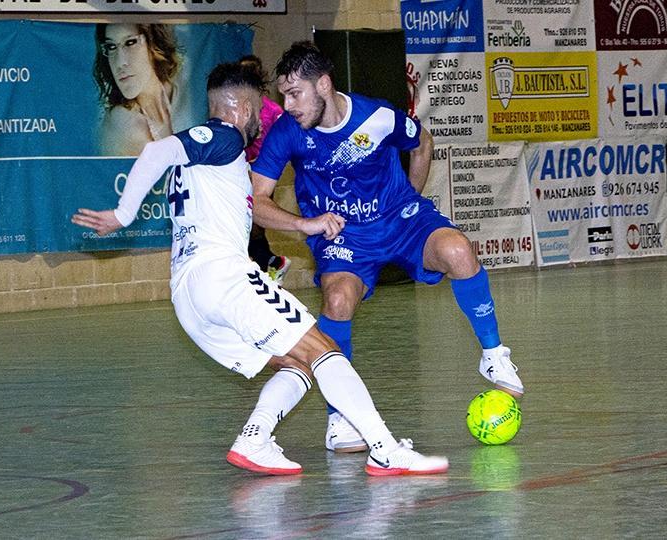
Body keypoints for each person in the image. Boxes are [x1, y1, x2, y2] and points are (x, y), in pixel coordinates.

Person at [71, 62, 447, 477]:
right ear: (245, 109)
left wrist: (304, 224)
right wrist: (124, 214)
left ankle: (255, 438)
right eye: (262, 112)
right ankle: (385, 449)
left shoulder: (207, 159)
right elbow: (158, 149)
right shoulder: (226, 135)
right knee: (325, 350)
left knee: (296, 363)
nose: (266, 123)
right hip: (224, 277)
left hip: (188, 297)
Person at [250, 42, 524, 454]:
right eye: (283, 96)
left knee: (459, 252)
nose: (286, 105)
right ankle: (339, 419)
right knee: (338, 300)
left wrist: (409, 199)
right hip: (343, 237)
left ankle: (493, 353)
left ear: (323, 84)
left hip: (399, 219)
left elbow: (422, 143)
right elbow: (257, 201)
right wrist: (303, 223)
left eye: (295, 94)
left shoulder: (376, 116)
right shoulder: (287, 133)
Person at [239, 54, 290, 284]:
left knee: (253, 222)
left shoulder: (268, 110)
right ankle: (268, 265)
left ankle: (270, 264)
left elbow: (283, 138)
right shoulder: (246, 108)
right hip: (246, 172)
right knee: (249, 224)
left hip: (258, 173)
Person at [94, 23, 180, 156]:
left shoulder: (184, 91)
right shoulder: (123, 122)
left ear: (153, 44)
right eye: (111, 47)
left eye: (130, 43)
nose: (120, 62)